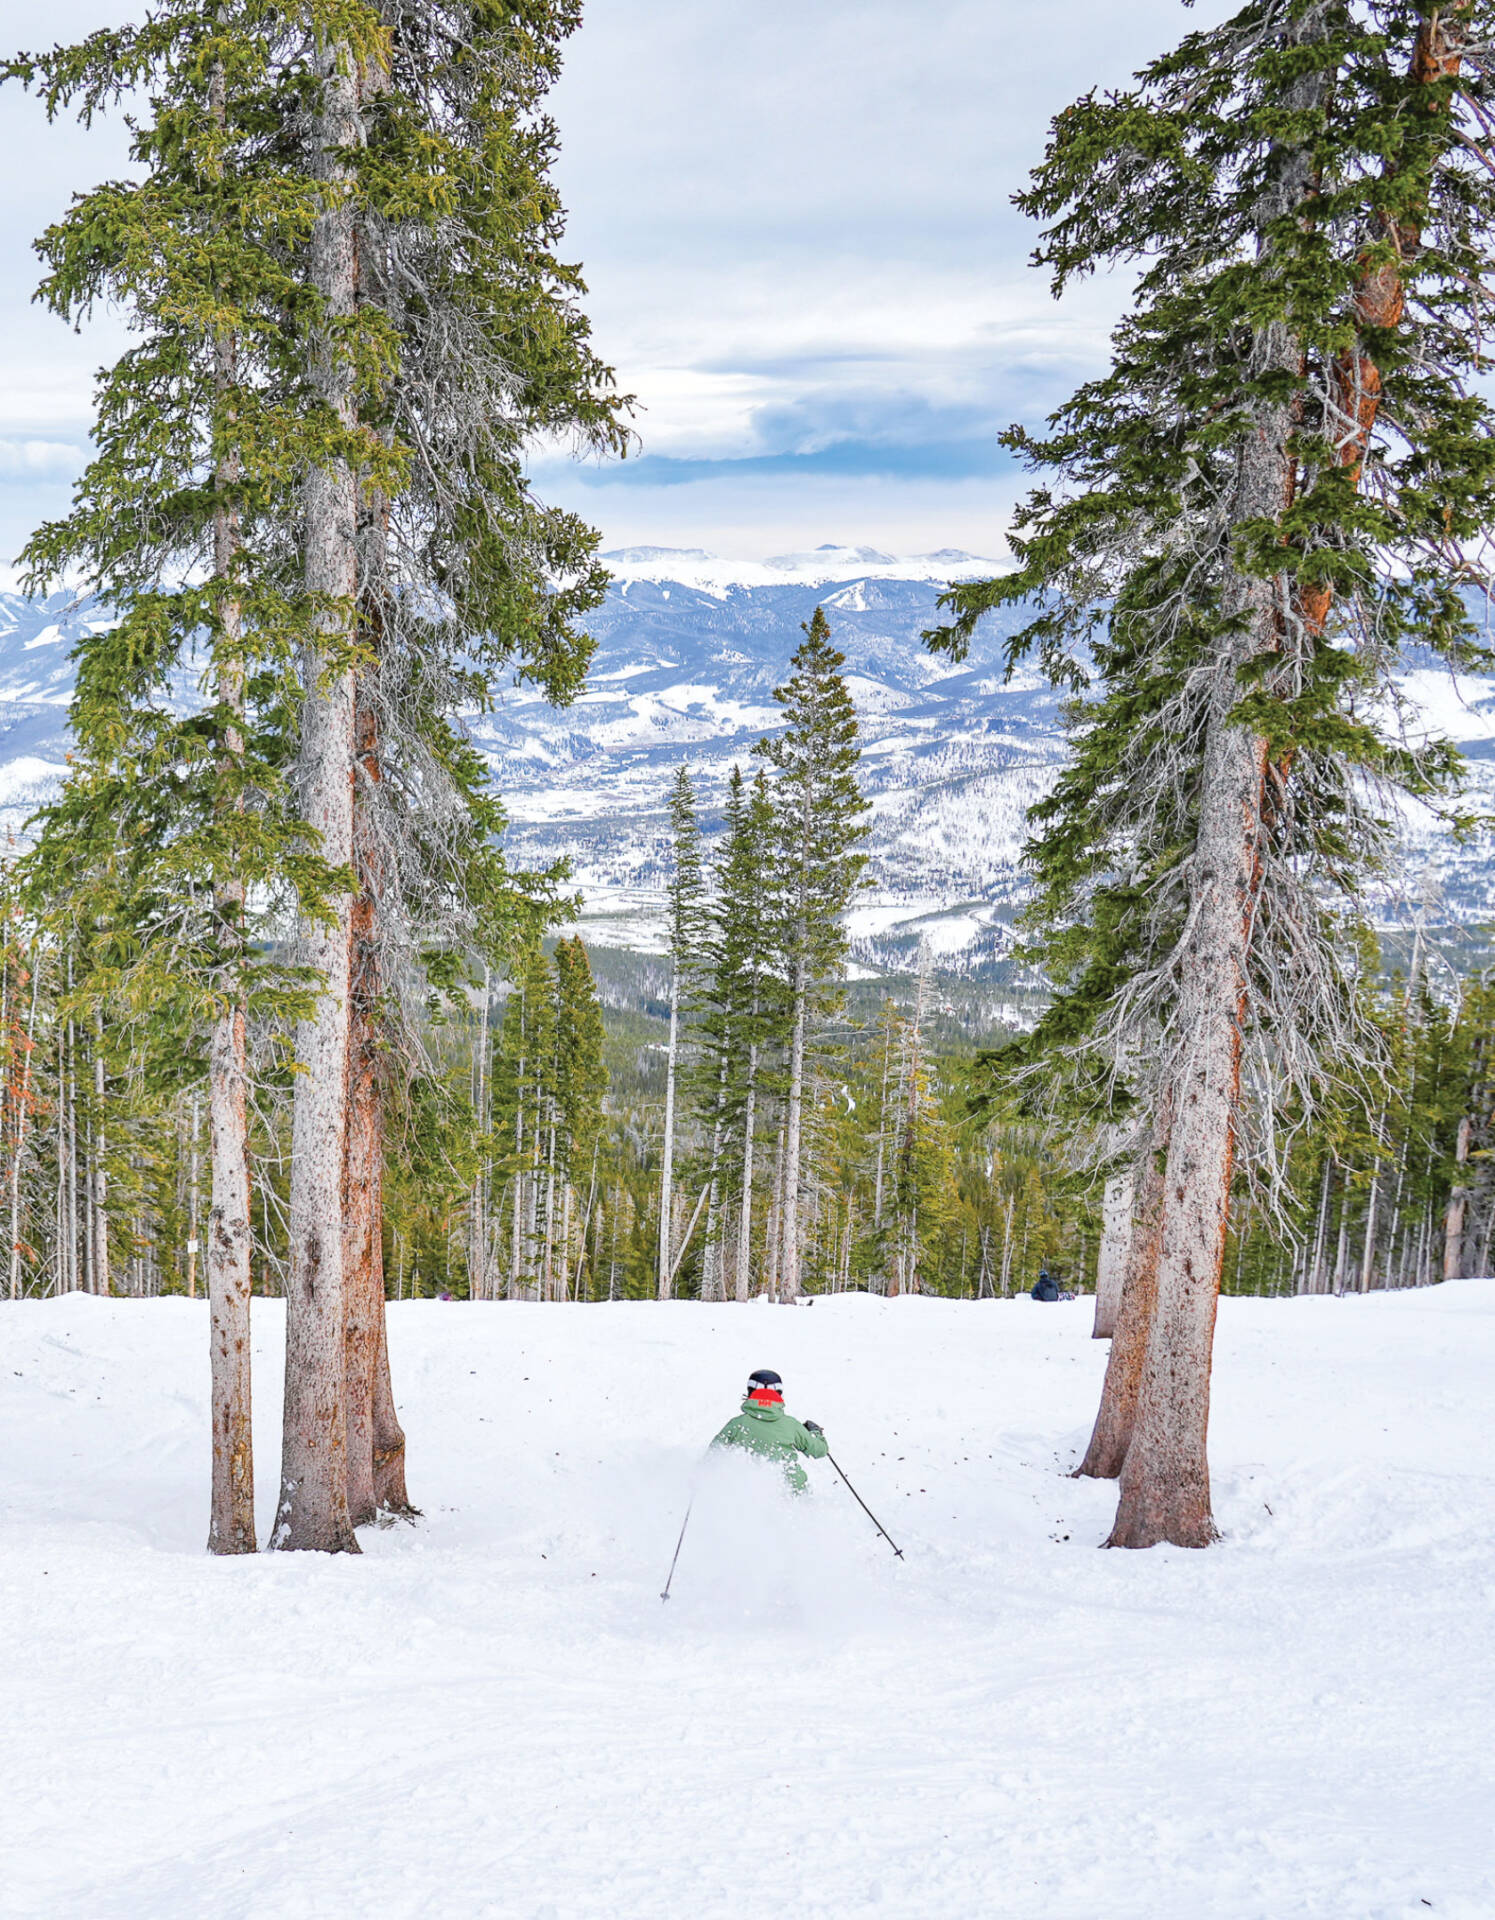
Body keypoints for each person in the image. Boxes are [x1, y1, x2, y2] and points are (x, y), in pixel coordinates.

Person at [710, 1368, 828, 1492]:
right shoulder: (791, 1425)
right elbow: (819, 1450)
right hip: (790, 1491)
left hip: (746, 1493)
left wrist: (698, 1478)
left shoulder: (737, 1424)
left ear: (750, 1392)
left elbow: (712, 1455)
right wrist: (815, 1433)